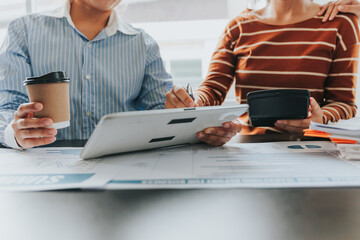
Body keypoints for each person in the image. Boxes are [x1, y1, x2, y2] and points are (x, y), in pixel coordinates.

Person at [166, 0, 359, 146]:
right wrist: (191, 102)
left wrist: (320, 119)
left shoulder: (341, 24)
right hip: (248, 148)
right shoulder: (238, 26)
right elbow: (212, 90)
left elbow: (344, 103)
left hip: (311, 147)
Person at [0, 0, 172, 149]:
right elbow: (7, 108)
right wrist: (14, 133)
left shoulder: (144, 44)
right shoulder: (24, 31)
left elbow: (162, 111)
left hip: (122, 165)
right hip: (43, 165)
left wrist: (181, 111)